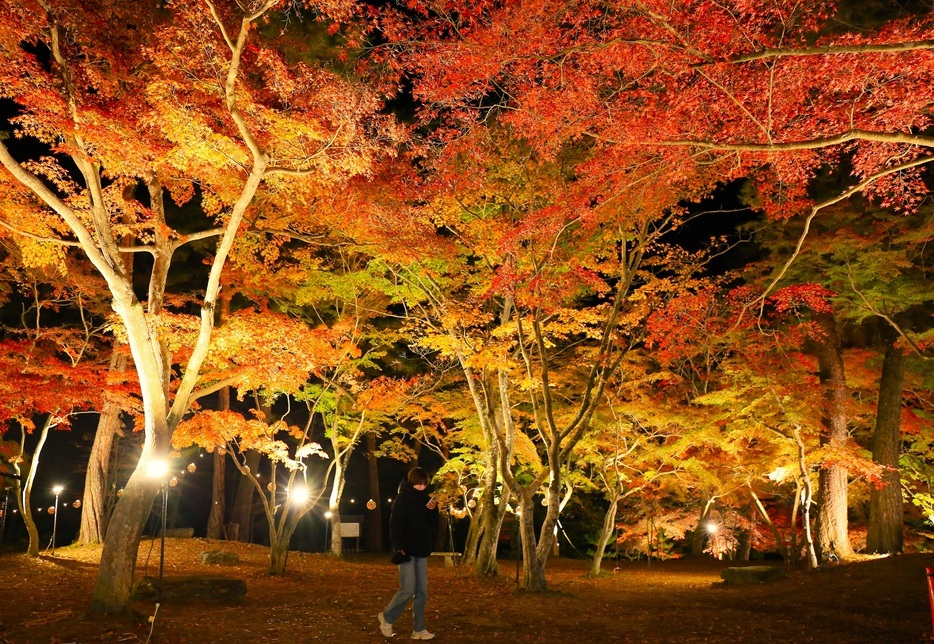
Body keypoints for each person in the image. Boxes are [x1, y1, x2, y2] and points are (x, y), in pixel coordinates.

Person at [377, 467, 438, 640]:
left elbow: (432, 525)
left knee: (422, 592)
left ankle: (419, 629)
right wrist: (398, 546)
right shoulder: (402, 498)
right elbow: (395, 523)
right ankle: (387, 618)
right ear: (412, 481)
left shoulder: (426, 499)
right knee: (408, 588)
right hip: (406, 550)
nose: (422, 486)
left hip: (421, 550)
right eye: (419, 483)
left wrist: (433, 509)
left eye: (425, 483)